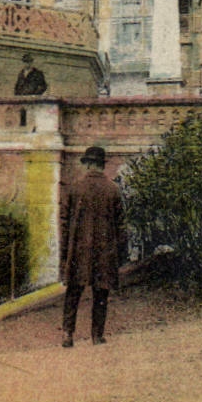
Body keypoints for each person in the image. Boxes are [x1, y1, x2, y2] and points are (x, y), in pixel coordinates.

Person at [60, 145, 124, 347]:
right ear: (102, 166)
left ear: (87, 164)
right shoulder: (113, 190)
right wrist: (120, 255)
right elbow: (121, 225)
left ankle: (68, 334)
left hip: (78, 250)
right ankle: (97, 336)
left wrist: (64, 253)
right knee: (101, 293)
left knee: (73, 292)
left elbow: (63, 222)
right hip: (105, 251)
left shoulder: (74, 188)